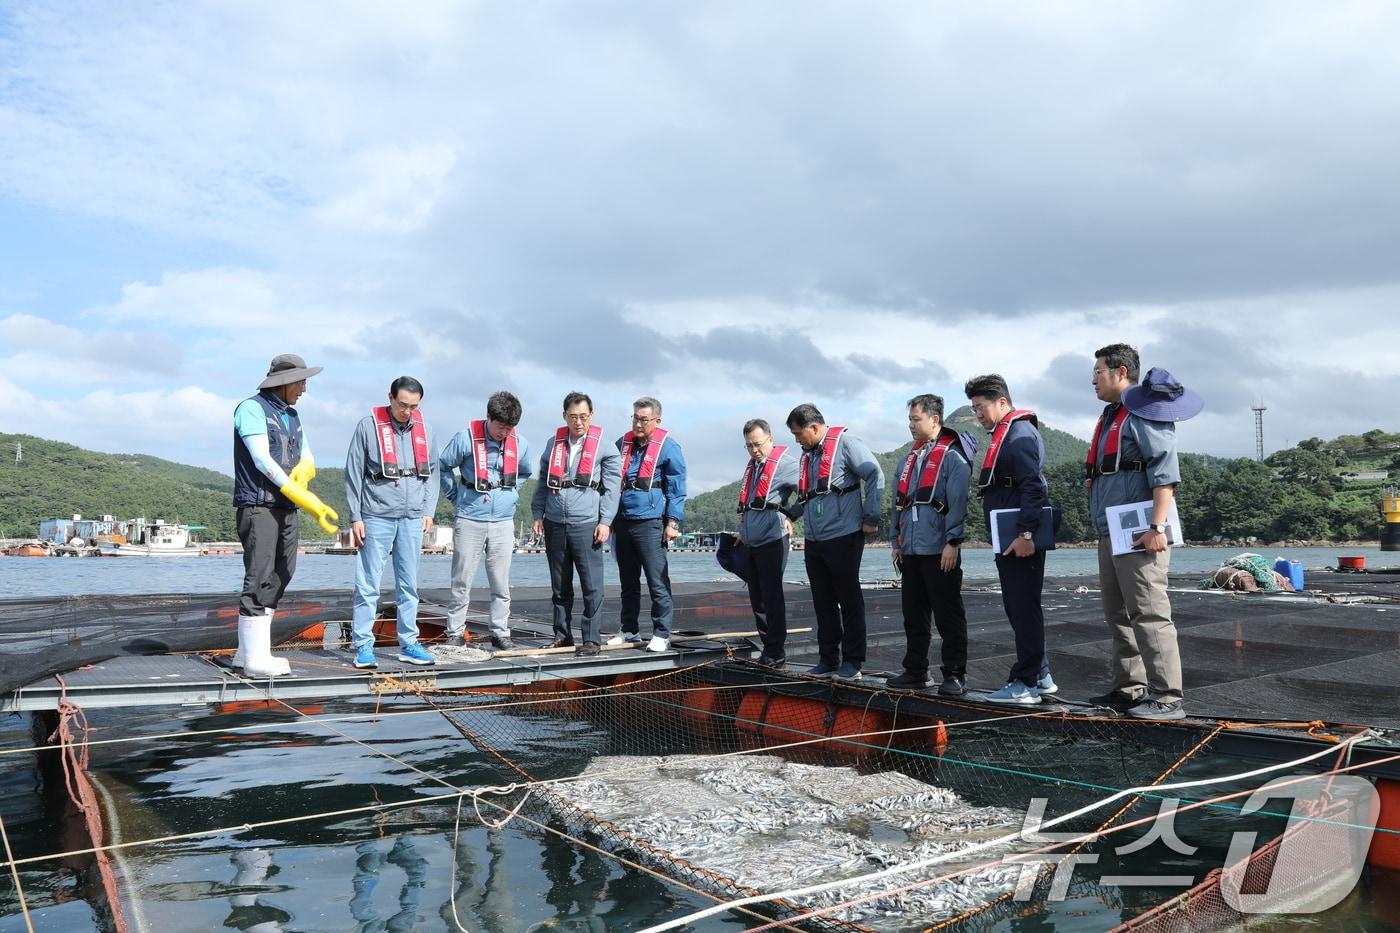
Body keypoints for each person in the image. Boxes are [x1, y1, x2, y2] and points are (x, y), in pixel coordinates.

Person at [1086, 347, 1202, 721]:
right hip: (1112, 531)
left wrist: (1156, 527)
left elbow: (1165, 472)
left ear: (1121, 372)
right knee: (1117, 614)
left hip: (1140, 532)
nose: (1093, 380)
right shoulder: (1111, 416)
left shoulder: (1144, 413)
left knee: (1150, 613)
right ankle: (1129, 688)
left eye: (1098, 372)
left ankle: (1167, 697)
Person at [232, 353, 339, 678]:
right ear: (283, 383)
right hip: (258, 505)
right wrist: (299, 494)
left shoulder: (293, 416)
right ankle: (254, 659)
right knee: (259, 574)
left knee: (284, 571)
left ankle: (248, 652)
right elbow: (262, 460)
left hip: (285, 508)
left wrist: (305, 473)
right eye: (301, 381)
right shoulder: (251, 409)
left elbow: (306, 456)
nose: (304, 388)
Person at [965, 373, 1057, 705]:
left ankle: (1025, 683)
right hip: (1008, 533)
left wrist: (1026, 534)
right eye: (974, 408)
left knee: (1023, 606)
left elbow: (1033, 486)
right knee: (1017, 605)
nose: (977, 414)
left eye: (981, 407)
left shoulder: (1019, 436)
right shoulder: (1007, 435)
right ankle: (1041, 673)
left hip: (1019, 536)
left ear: (1002, 402)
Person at [345, 376, 439, 670]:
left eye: (413, 407)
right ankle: (362, 645)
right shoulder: (367, 427)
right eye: (402, 405)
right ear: (390, 398)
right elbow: (353, 472)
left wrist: (429, 510)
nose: (407, 412)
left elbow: (433, 473)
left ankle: (409, 643)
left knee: (409, 585)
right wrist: (355, 516)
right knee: (368, 584)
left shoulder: (425, 430)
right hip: (376, 515)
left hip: (412, 518)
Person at [786, 403, 884, 680]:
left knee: (849, 600)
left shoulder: (849, 444)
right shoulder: (809, 455)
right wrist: (790, 515)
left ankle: (853, 662)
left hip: (844, 535)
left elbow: (875, 474)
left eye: (798, 434)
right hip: (815, 539)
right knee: (822, 601)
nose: (796, 440)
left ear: (814, 428)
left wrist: (871, 516)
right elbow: (808, 494)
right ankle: (828, 658)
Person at [887, 394, 974, 696]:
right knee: (913, 615)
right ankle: (915, 671)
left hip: (940, 551)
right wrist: (895, 541)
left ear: (935, 420)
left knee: (949, 615)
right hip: (910, 550)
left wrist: (953, 541)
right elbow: (896, 505)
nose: (910, 425)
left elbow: (958, 503)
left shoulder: (953, 458)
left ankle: (955, 675)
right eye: (910, 419)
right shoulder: (907, 460)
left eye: (915, 419)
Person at [439, 391, 533, 651]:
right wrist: (454, 496)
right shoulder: (465, 439)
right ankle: (455, 631)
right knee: (461, 579)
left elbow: (526, 471)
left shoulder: (520, 443)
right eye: (500, 426)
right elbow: (443, 466)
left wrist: (512, 493)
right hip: (470, 517)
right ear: (489, 417)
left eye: (510, 427)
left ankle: (500, 631)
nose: (504, 432)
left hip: (503, 521)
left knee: (501, 582)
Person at [531, 392, 621, 656]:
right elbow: (542, 483)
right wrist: (538, 512)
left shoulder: (605, 446)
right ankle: (562, 635)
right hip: (555, 522)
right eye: (573, 416)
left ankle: (591, 638)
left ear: (591, 415)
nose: (578, 421)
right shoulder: (553, 444)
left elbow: (613, 489)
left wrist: (606, 521)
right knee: (560, 584)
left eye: (583, 416)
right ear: (564, 417)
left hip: (587, 523)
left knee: (592, 585)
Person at [609, 397, 687, 652]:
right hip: (623, 521)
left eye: (643, 419)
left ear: (657, 421)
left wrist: (672, 522)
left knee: (657, 581)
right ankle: (629, 630)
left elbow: (677, 488)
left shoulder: (669, 447)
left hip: (651, 522)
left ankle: (661, 633)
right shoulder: (622, 444)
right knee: (628, 582)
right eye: (635, 418)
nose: (638, 423)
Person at [736, 418, 800, 667]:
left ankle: (776, 651)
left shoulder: (786, 465)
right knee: (757, 598)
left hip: (773, 540)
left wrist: (791, 514)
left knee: (772, 596)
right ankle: (767, 648)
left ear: (771, 439)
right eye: (749, 446)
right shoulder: (752, 467)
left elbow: (807, 491)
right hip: (751, 541)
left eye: (758, 444)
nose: (754, 450)